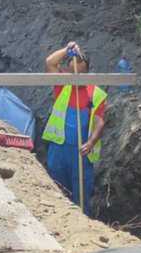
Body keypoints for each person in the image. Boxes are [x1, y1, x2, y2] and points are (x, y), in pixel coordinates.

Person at [43, 41, 107, 216]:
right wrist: (67, 50)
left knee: (81, 195)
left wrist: (91, 141)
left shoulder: (96, 93)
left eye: (80, 72)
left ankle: (83, 225)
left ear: (87, 72)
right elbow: (50, 62)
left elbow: (99, 122)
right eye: (72, 72)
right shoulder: (62, 85)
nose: (75, 76)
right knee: (57, 190)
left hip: (82, 153)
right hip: (59, 149)